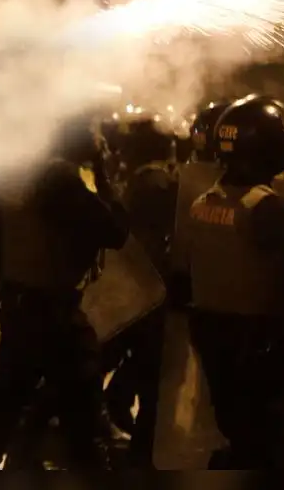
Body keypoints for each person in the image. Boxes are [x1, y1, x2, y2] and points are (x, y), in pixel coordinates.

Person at [171, 93, 284, 469]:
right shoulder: (264, 208)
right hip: (258, 342)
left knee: (240, 432)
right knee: (268, 441)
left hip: (214, 334)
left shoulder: (206, 200)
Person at [0, 113, 129, 470]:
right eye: (91, 134)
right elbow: (115, 231)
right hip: (53, 315)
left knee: (6, 407)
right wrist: (102, 174)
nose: (97, 140)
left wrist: (15, 280)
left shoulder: (20, 176)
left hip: (21, 307)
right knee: (81, 412)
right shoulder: (60, 183)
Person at [102, 116, 177, 467]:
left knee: (141, 360)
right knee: (153, 368)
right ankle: (142, 452)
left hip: (140, 279)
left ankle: (119, 400)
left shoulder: (142, 178)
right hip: (149, 281)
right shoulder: (157, 181)